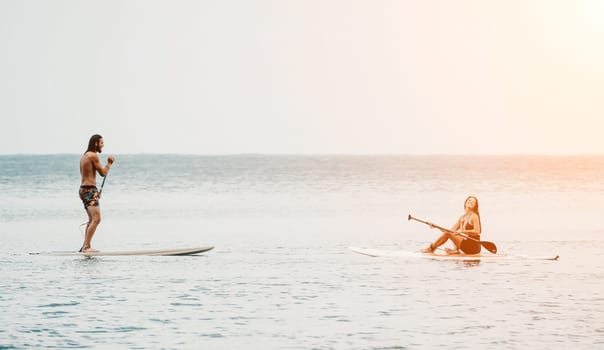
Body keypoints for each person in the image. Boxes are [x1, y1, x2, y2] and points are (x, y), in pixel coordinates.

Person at [78, 134, 115, 252]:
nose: (103, 146)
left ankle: (85, 246)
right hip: (89, 190)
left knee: (92, 219)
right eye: (101, 143)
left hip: (84, 190)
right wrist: (109, 163)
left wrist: (95, 191)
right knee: (97, 219)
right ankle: (87, 247)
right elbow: (103, 173)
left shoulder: (84, 156)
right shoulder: (93, 156)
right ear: (95, 144)